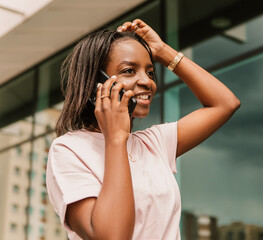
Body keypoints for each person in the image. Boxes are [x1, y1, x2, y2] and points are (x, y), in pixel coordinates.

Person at [46, 19, 240, 240]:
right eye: (129, 70)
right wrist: (116, 139)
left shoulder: (155, 142)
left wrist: (164, 52)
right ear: (96, 82)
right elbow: (112, 237)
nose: (147, 81)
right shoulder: (68, 150)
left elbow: (225, 103)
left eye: (149, 72)